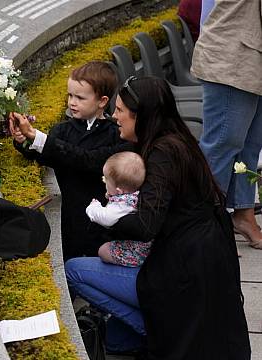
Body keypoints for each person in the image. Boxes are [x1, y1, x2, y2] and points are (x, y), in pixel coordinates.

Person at [65, 76, 250, 358]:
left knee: (75, 269)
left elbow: (145, 225)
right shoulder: (173, 140)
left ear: (141, 116)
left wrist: (102, 221)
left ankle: (155, 330)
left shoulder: (163, 154)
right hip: (198, 264)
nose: (114, 117)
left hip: (181, 273)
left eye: (120, 111)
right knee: (114, 339)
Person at [9, 61, 131, 261]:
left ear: (102, 101)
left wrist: (38, 137)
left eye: (80, 97)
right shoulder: (62, 130)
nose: (72, 102)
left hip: (99, 217)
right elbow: (44, 154)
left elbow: (85, 159)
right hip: (69, 213)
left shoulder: (114, 134)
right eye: (70, 95)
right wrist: (24, 141)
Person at [191, 0, 262, 249]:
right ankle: (202, 225)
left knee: (250, 145)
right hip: (232, 56)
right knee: (222, 143)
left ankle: (243, 214)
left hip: (249, 54)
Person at [86, 152, 152, 268]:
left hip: (138, 251)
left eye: (106, 181)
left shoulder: (122, 205)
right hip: (141, 243)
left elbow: (106, 219)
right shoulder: (135, 194)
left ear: (119, 191)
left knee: (103, 250)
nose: (105, 183)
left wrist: (93, 208)